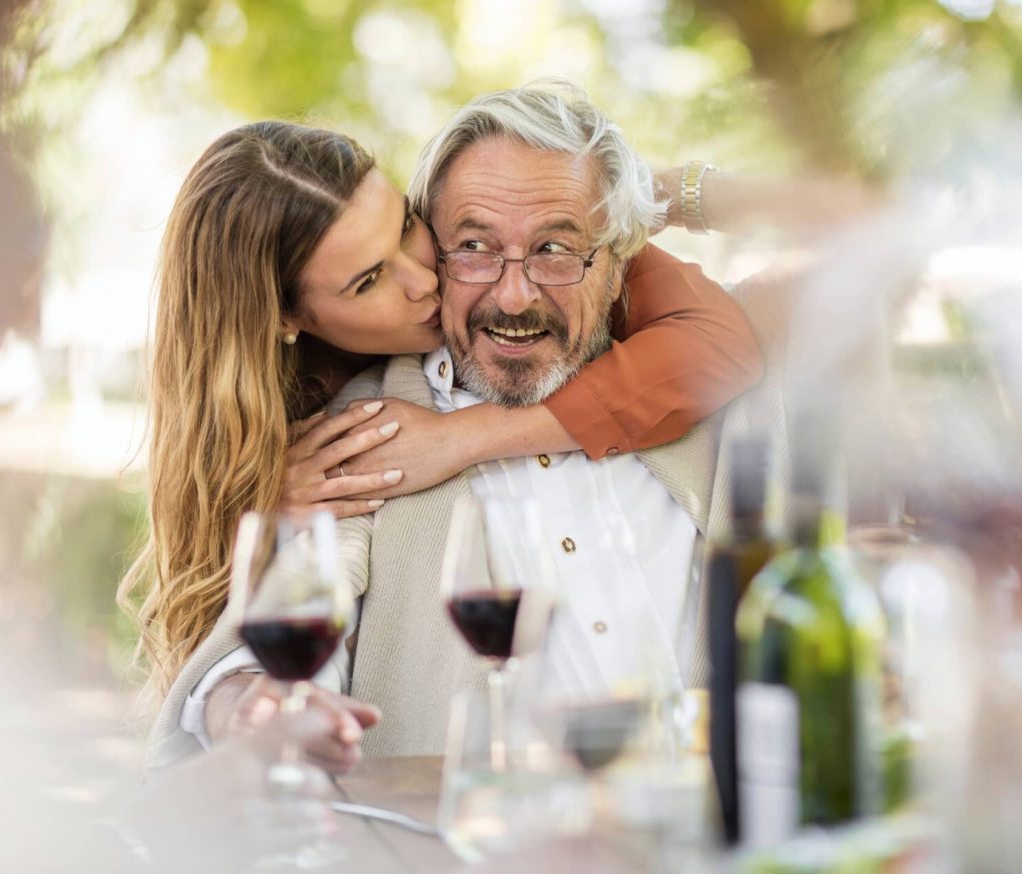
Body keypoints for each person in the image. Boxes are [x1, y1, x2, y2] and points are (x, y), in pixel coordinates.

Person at [147, 83, 787, 766]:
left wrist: (665, 190)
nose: (511, 294)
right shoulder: (353, 439)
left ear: (617, 255)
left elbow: (873, 223)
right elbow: (282, 630)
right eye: (473, 245)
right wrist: (247, 702)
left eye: (555, 249)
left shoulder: (701, 380)